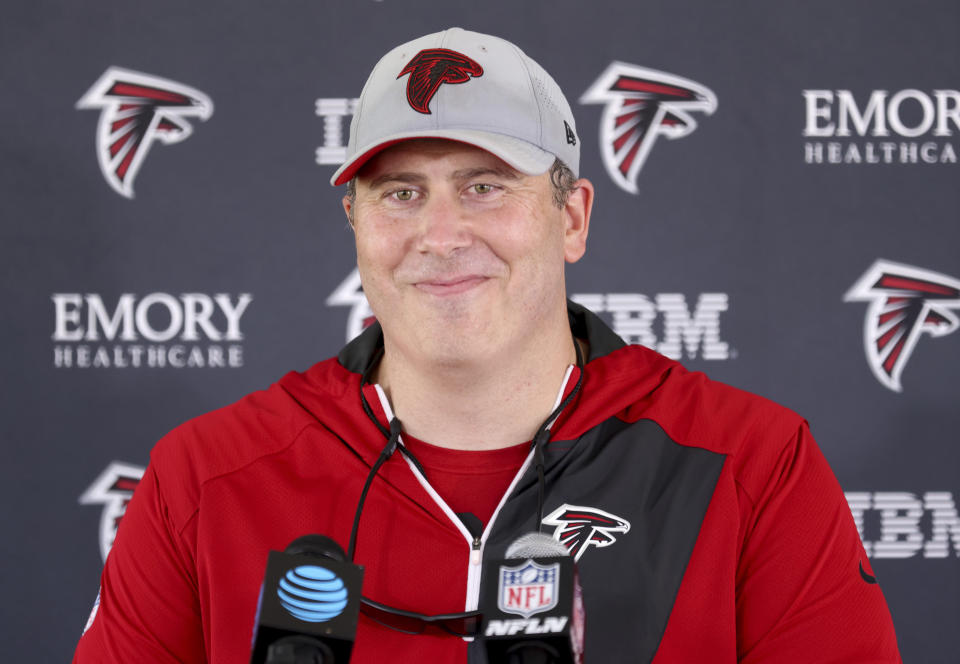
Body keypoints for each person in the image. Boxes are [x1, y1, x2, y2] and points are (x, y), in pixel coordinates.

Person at [73, 27, 901, 663]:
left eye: (484, 186)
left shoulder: (749, 464)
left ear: (571, 217)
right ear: (355, 222)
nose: (440, 234)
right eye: (401, 192)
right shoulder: (207, 476)